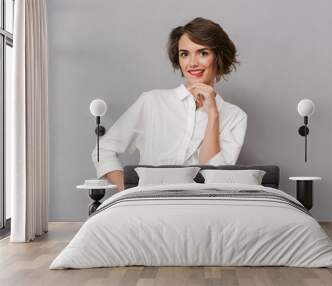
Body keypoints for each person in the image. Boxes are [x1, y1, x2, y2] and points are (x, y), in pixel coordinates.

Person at [92, 17, 248, 192]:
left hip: (201, 207)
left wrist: (213, 113)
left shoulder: (235, 116)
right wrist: (128, 193)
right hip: (148, 207)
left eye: (203, 53)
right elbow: (103, 151)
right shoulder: (152, 102)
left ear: (219, 57)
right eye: (184, 54)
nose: (192, 63)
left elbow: (215, 177)